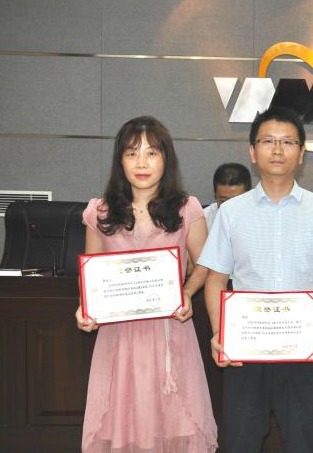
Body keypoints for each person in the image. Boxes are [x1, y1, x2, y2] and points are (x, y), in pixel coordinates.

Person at [198, 106, 313, 453]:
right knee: (240, 442)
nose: (278, 149)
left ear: (301, 153)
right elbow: (215, 279)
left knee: (302, 442)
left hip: (302, 350)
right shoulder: (231, 212)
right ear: (253, 152)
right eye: (268, 141)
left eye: (287, 142)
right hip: (245, 350)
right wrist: (220, 333)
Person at [74, 116, 217, 453]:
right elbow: (90, 272)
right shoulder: (100, 212)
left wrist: (187, 293)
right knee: (123, 423)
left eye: (151, 153)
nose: (141, 163)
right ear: (119, 160)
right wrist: (85, 307)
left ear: (166, 158)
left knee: (172, 422)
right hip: (119, 337)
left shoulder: (187, 209)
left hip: (169, 332)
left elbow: (206, 264)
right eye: (131, 153)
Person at [203, 162, 252, 230]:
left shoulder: (261, 217)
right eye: (223, 201)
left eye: (236, 201)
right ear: (215, 195)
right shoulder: (203, 219)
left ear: (249, 195)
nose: (229, 208)